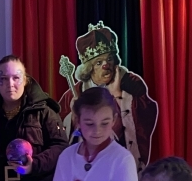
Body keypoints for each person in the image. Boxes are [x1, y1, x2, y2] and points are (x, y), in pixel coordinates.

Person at [57, 22, 158, 171]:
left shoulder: (132, 84)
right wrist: (73, 117)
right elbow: (58, 129)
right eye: (99, 62)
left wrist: (118, 96)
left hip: (120, 164)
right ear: (89, 69)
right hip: (87, 166)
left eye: (109, 59)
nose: (106, 65)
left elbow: (147, 115)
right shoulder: (75, 93)